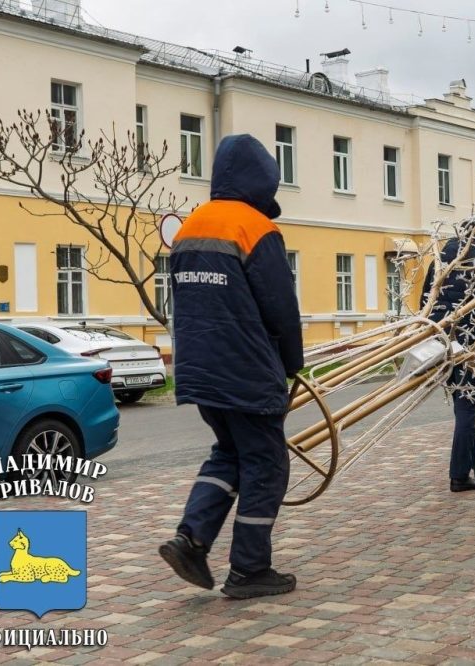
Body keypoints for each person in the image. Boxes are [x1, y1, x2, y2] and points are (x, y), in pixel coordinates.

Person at [158, 134, 304, 598]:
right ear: (263, 180)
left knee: (229, 453)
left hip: (199, 369)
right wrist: (291, 365)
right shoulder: (255, 228)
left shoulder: (190, 228)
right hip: (245, 367)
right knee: (266, 464)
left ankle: (191, 540)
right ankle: (249, 569)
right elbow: (281, 306)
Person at [421, 224, 475, 492]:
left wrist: (428, 340)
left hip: (442, 342)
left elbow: (426, 302)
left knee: (463, 405)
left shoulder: (439, 260)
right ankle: (459, 476)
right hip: (469, 344)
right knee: (468, 408)